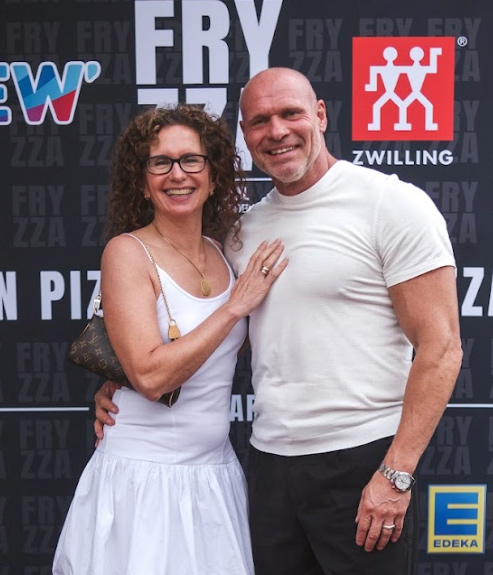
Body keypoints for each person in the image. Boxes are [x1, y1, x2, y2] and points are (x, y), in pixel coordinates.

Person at [95, 68, 463, 575]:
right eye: (259, 121)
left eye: (291, 113)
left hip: (361, 462)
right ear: (245, 137)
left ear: (320, 115)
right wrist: (122, 381)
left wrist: (396, 473)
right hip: (269, 467)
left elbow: (441, 347)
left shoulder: (391, 204)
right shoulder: (242, 233)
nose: (277, 131)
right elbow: (213, 336)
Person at [53, 103, 287, 575]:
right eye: (160, 162)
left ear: (213, 176)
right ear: (143, 182)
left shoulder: (223, 252)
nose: (177, 174)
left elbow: (220, 352)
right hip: (143, 482)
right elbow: (149, 377)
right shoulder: (127, 253)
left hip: (214, 478)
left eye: (191, 160)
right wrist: (233, 307)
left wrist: (112, 378)